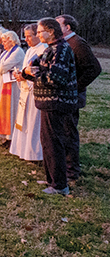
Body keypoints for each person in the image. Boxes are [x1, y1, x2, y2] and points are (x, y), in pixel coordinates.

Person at [23, 18, 78, 195]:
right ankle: (52, 180)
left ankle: (60, 185)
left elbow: (56, 78)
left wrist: (35, 72)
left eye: (40, 32)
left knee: (54, 143)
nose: (38, 35)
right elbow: (34, 66)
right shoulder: (49, 50)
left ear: (51, 31)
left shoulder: (62, 49)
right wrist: (30, 72)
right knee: (47, 142)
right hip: (46, 103)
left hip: (56, 103)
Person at [55, 14, 101, 181]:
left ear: (67, 27)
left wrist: (75, 86)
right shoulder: (64, 44)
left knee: (69, 133)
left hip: (72, 97)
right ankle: (63, 167)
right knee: (62, 132)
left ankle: (72, 171)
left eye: (57, 24)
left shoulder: (78, 44)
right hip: (63, 97)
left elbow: (94, 69)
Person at [10, 24, 47, 161]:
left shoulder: (43, 50)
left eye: (29, 36)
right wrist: (19, 75)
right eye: (25, 37)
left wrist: (25, 77)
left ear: (37, 35)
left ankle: (34, 153)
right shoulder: (30, 50)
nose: (26, 39)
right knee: (23, 121)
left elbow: (38, 71)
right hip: (25, 89)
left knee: (33, 122)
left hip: (34, 90)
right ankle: (22, 150)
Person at [0, 30, 24, 147]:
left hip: (11, 86)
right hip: (1, 84)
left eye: (5, 41)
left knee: (10, 109)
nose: (3, 44)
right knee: (1, 109)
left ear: (11, 41)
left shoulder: (17, 52)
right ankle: (4, 135)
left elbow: (2, 67)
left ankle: (12, 136)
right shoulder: (5, 53)